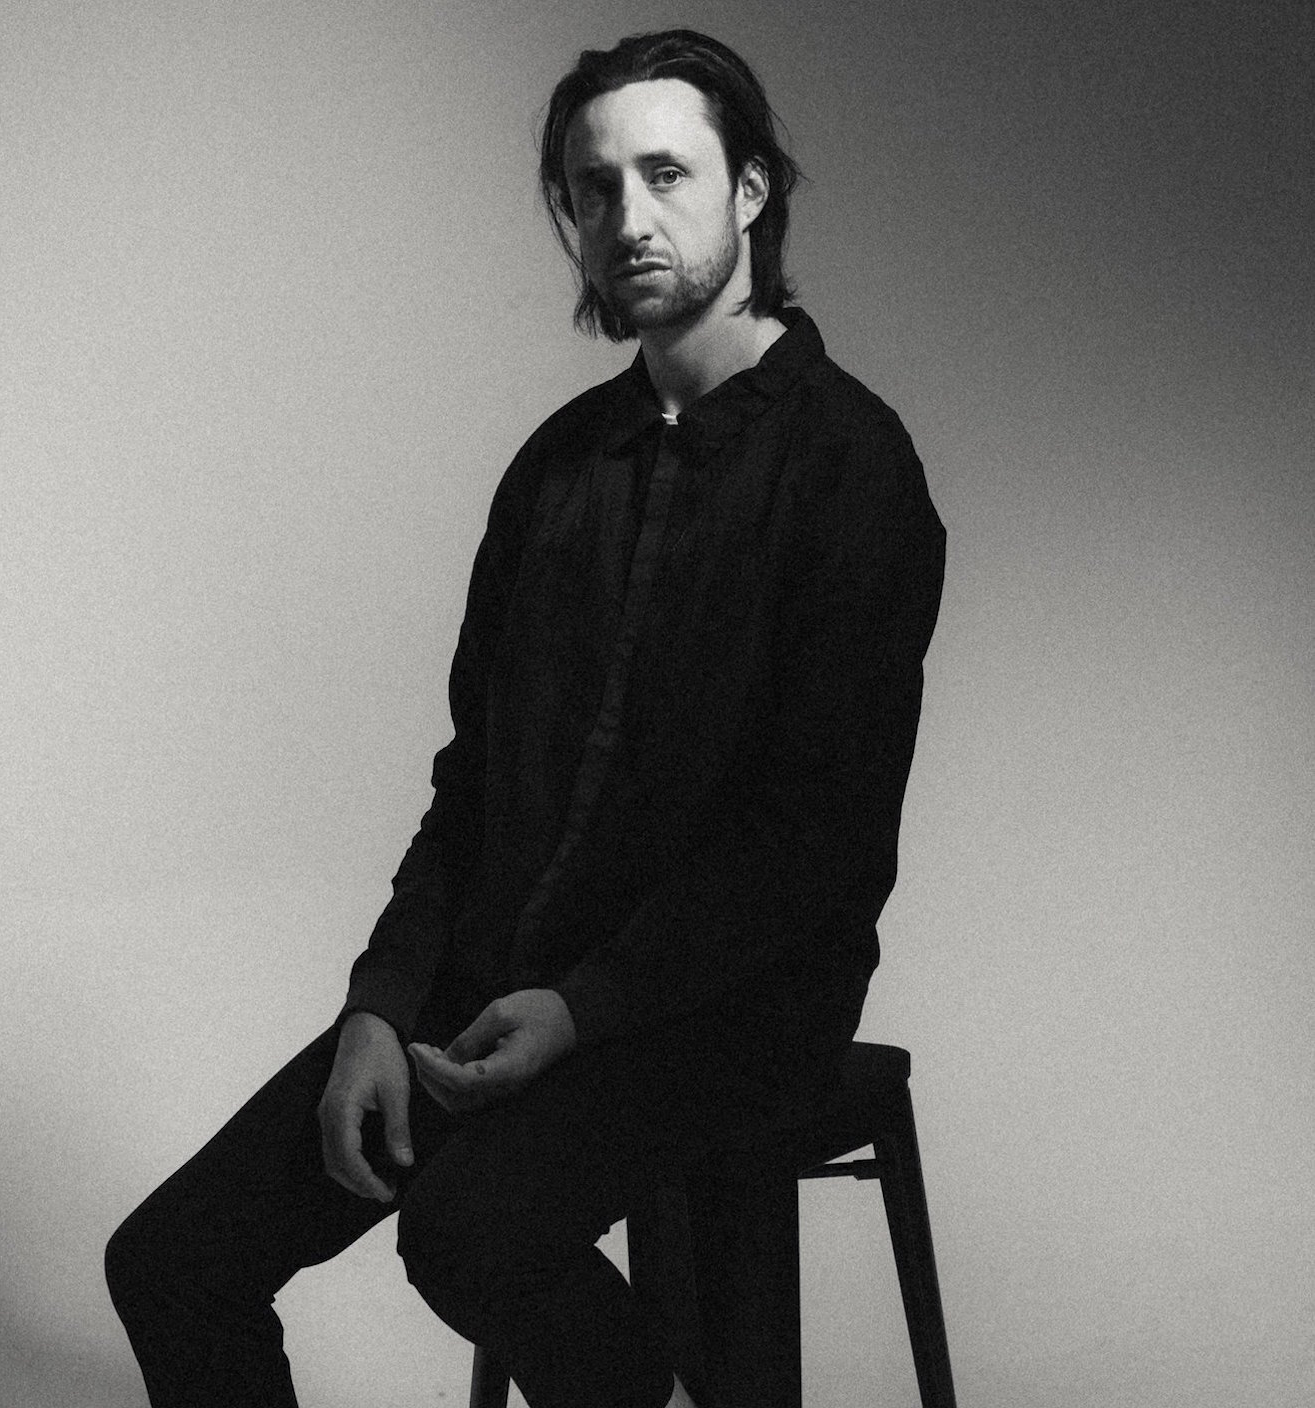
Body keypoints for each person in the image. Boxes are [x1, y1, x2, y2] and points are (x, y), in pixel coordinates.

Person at [106, 27, 945, 1408]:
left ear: (750, 190)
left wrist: (585, 1007)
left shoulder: (852, 467)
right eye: (593, 187)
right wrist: (379, 1007)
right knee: (174, 1263)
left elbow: (816, 845)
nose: (628, 218)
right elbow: (474, 783)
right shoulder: (558, 469)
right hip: (506, 973)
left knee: (466, 1233)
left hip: (729, 1002)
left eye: (665, 174)